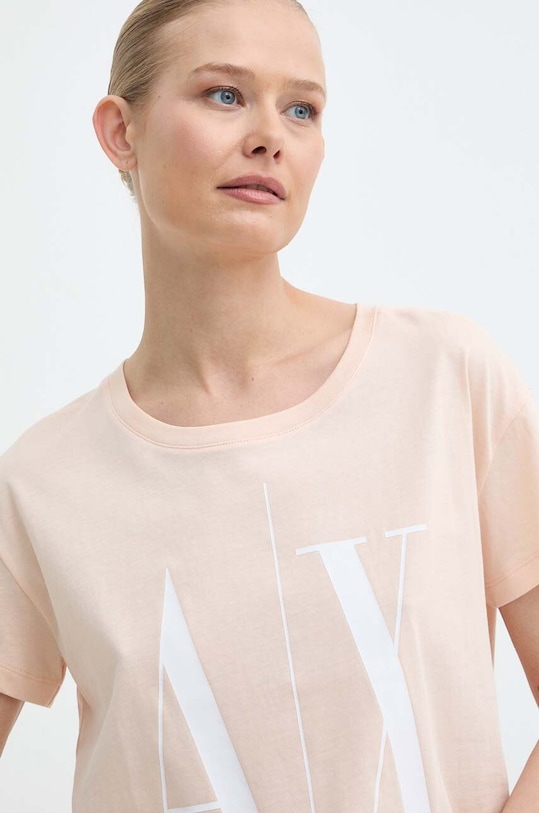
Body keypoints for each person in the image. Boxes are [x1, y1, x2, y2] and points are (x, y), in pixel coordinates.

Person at [0, 0, 537, 810]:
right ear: (120, 131)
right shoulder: (43, 481)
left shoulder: (443, 379)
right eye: (224, 94)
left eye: (301, 108)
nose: (269, 136)